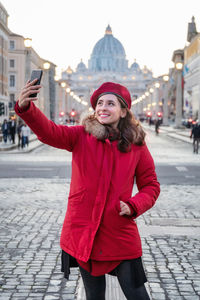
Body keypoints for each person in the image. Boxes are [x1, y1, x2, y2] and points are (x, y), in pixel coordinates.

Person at [15, 79, 160, 300]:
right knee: (93, 295)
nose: (103, 107)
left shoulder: (137, 145)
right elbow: (49, 132)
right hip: (84, 232)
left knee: (138, 294)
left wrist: (133, 205)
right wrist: (27, 108)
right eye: (100, 103)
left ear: (123, 111)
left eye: (110, 103)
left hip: (119, 232)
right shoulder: (81, 136)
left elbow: (151, 186)